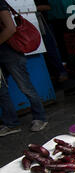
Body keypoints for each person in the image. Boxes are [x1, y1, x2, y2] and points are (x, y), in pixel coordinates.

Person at [0, 0, 49, 136]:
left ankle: (40, 117)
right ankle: (11, 123)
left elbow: (11, 28)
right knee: (1, 91)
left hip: (11, 54)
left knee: (25, 86)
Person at [34, 0, 68, 83]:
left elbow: (48, 6)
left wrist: (31, 8)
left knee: (51, 49)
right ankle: (52, 74)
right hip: (32, 26)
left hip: (43, 24)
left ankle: (61, 72)